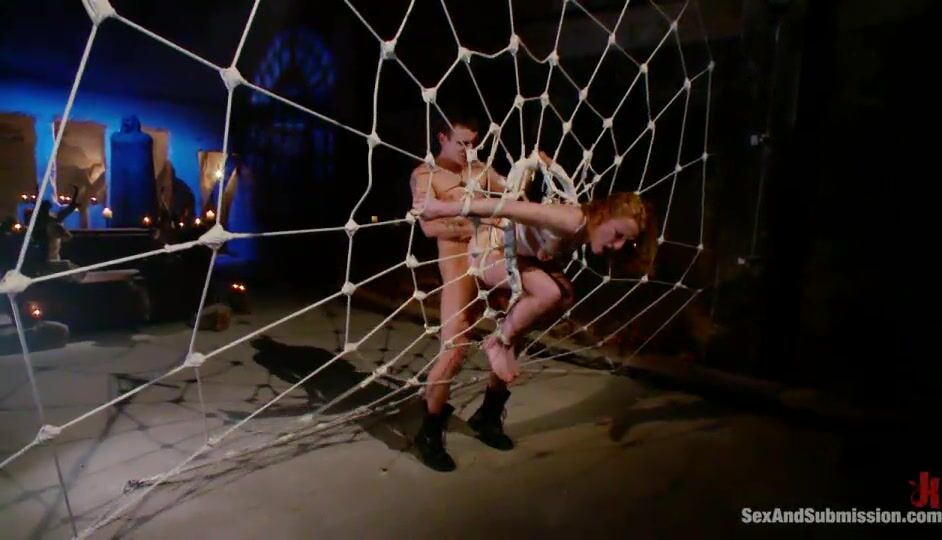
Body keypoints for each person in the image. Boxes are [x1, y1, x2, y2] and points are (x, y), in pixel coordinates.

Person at [414, 190, 656, 383]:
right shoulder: (571, 220)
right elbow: (505, 207)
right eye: (617, 234)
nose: (617, 246)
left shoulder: (583, 228)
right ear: (603, 215)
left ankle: (506, 341)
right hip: (487, 252)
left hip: (512, 256)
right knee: (549, 292)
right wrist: (440, 209)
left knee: (562, 294)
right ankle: (498, 341)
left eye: (626, 241)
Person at [409, 113, 525, 472]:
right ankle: (429, 432)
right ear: (442, 138)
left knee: (512, 332)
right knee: (455, 348)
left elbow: (512, 194)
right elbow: (430, 228)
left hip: (493, 260)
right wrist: (484, 219)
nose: (468, 149)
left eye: (473, 143)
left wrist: (530, 169)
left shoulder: (481, 171)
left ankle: (489, 415)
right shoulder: (425, 175)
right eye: (461, 142)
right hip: (459, 269)